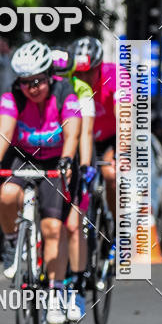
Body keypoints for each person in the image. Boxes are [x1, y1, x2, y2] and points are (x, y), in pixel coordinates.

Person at [0, 40, 81, 324]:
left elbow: (73, 134)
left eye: (38, 81)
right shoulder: (12, 96)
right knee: (7, 195)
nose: (32, 88)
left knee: (53, 228)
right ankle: (11, 243)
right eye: (25, 82)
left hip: (55, 160)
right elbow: (4, 131)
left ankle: (55, 294)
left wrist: (67, 159)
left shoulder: (65, 93)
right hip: (23, 156)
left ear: (50, 75)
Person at [51, 48, 97, 319]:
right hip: (49, 158)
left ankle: (78, 286)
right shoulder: (44, 90)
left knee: (72, 225)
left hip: (75, 159)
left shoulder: (81, 90)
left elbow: (86, 134)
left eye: (62, 75)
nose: (57, 79)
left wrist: (86, 166)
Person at [68, 36, 117, 220]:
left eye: (89, 72)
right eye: (78, 73)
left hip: (110, 138)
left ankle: (117, 225)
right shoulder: (68, 79)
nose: (83, 78)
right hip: (80, 137)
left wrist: (123, 153)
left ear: (100, 66)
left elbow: (125, 117)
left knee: (112, 175)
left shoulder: (114, 74)